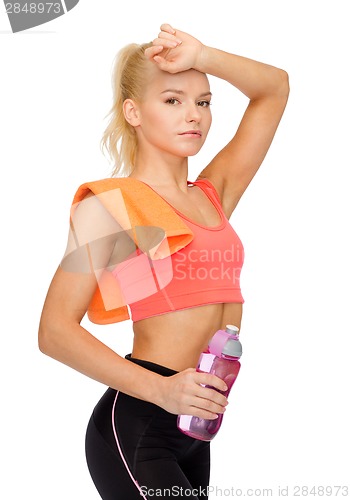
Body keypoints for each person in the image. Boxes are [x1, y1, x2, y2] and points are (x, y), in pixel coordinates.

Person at [38, 23, 289, 500]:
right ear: (133, 111)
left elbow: (275, 88)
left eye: (203, 101)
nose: (193, 115)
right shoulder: (111, 206)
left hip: (198, 427)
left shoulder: (214, 196)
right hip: (139, 422)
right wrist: (162, 392)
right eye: (172, 100)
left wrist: (203, 54)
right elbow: (54, 332)